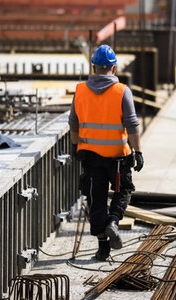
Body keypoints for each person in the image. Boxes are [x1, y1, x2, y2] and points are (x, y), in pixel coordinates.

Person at [69, 44, 144, 261]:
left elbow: (73, 122)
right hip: (118, 157)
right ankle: (113, 221)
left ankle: (103, 248)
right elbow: (131, 123)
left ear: (93, 67)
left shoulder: (81, 90)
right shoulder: (122, 91)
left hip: (91, 155)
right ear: (114, 68)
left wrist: (76, 146)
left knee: (96, 199)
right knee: (124, 189)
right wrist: (137, 151)